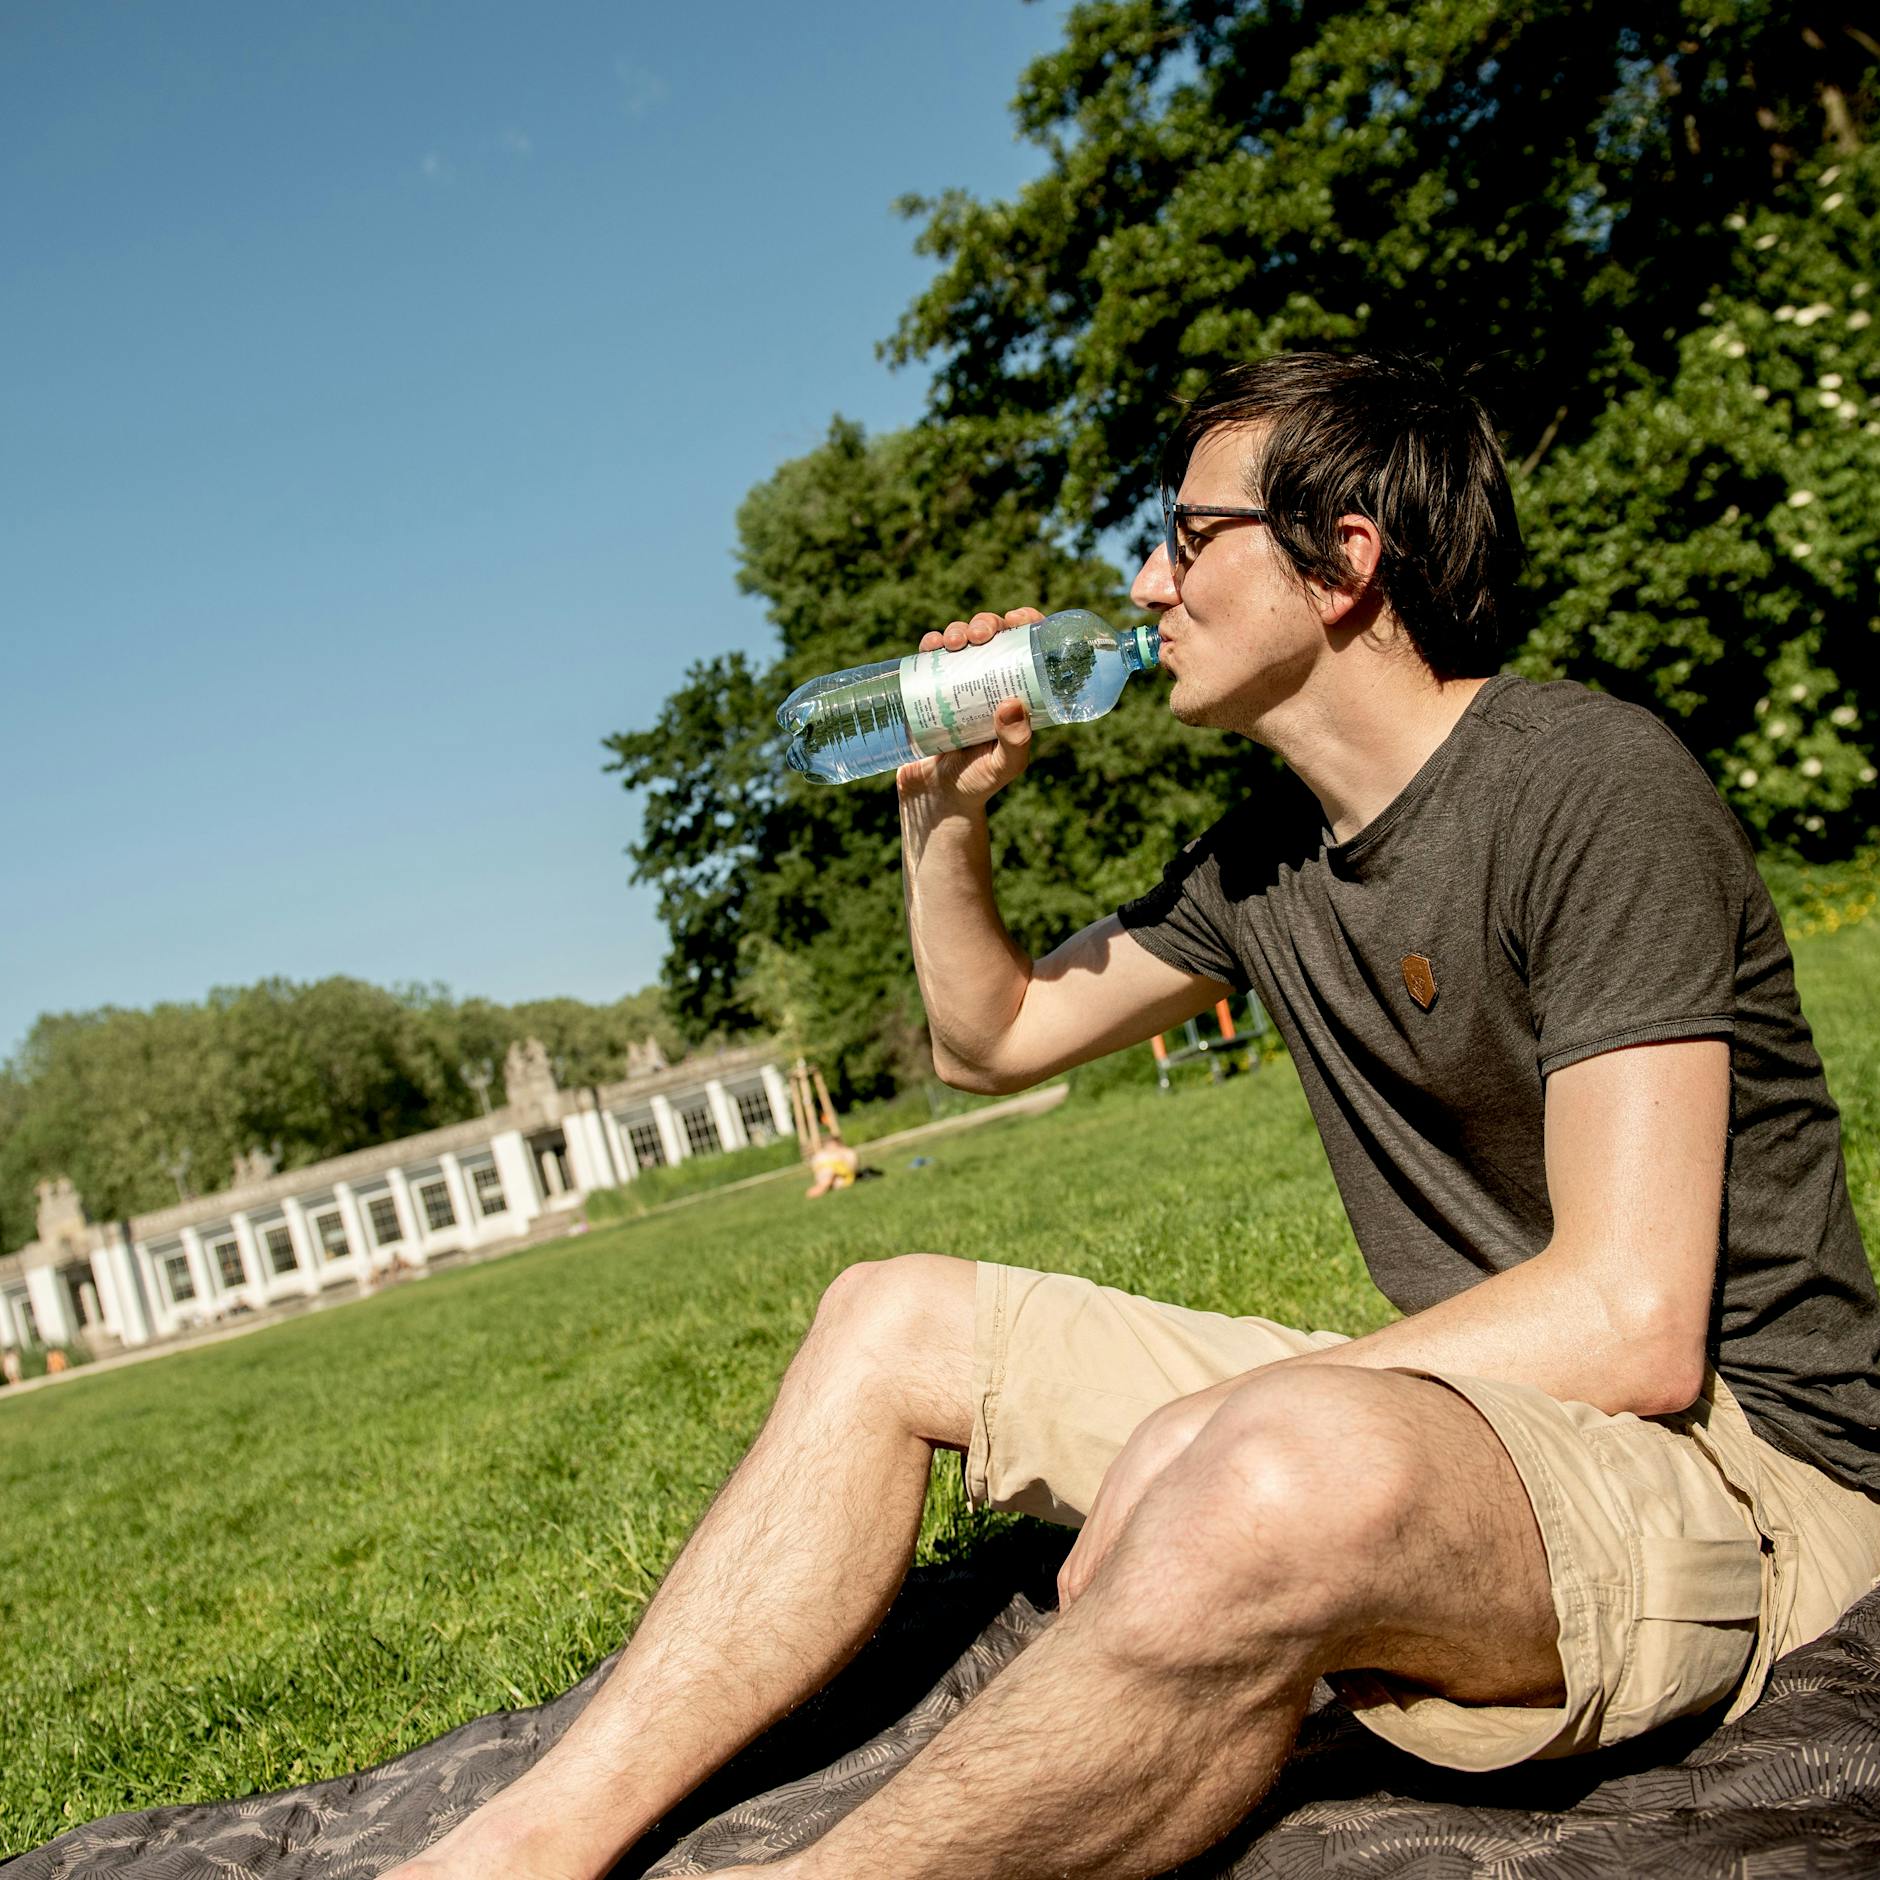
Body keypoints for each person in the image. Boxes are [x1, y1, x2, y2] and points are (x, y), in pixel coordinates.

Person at [386, 352, 1880, 1880]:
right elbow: (994, 1035)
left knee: (1275, 1464)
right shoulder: (1262, 863)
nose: (1147, 584)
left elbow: (1636, 1320)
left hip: (1747, 1470)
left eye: (1187, 535)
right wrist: (946, 810)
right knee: (888, 1319)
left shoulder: (1586, 787)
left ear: (1344, 561)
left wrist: (1211, 1426)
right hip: (1494, 1415)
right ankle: (524, 1847)